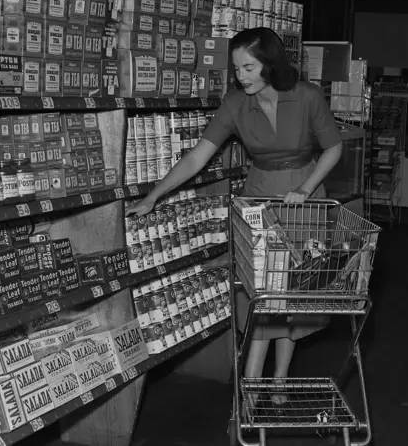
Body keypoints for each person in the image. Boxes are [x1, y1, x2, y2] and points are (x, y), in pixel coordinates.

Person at [125, 26, 342, 406]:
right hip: (259, 199)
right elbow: (197, 156)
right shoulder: (235, 103)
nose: (240, 76)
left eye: (248, 68)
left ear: (270, 66)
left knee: (292, 292)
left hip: (306, 200)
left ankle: (278, 380)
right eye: (236, 69)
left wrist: (305, 190)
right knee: (259, 293)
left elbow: (333, 149)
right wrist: (154, 196)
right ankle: (252, 387)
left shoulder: (307, 96)